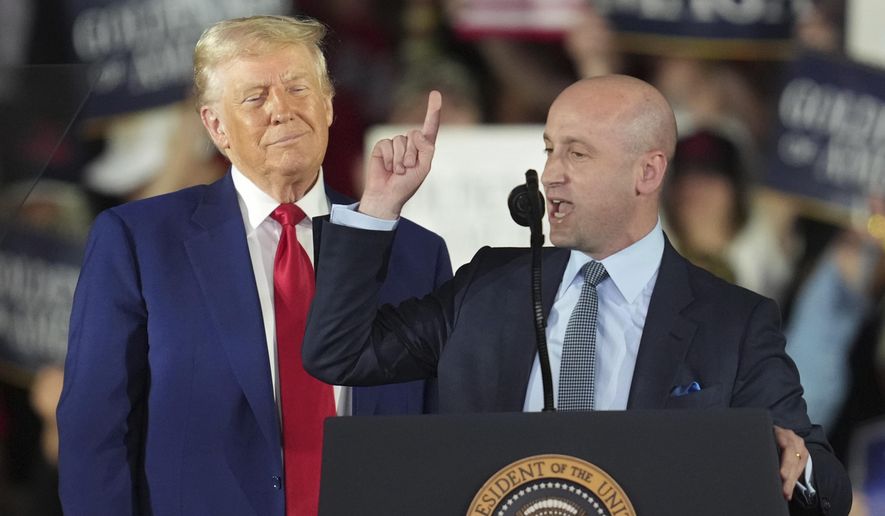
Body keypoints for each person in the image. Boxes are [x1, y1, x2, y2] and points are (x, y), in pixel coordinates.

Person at [303, 75, 852, 515]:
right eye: (548, 149)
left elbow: (827, 485)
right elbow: (339, 353)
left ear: (648, 171)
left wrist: (791, 462)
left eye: (577, 154)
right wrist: (378, 210)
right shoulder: (487, 287)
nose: (550, 174)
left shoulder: (734, 321)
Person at [56, 15, 451, 516]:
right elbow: (96, 430)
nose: (282, 110)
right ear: (215, 126)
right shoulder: (138, 243)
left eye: (297, 88)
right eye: (255, 97)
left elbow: (438, 434)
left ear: (328, 106)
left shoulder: (415, 254)